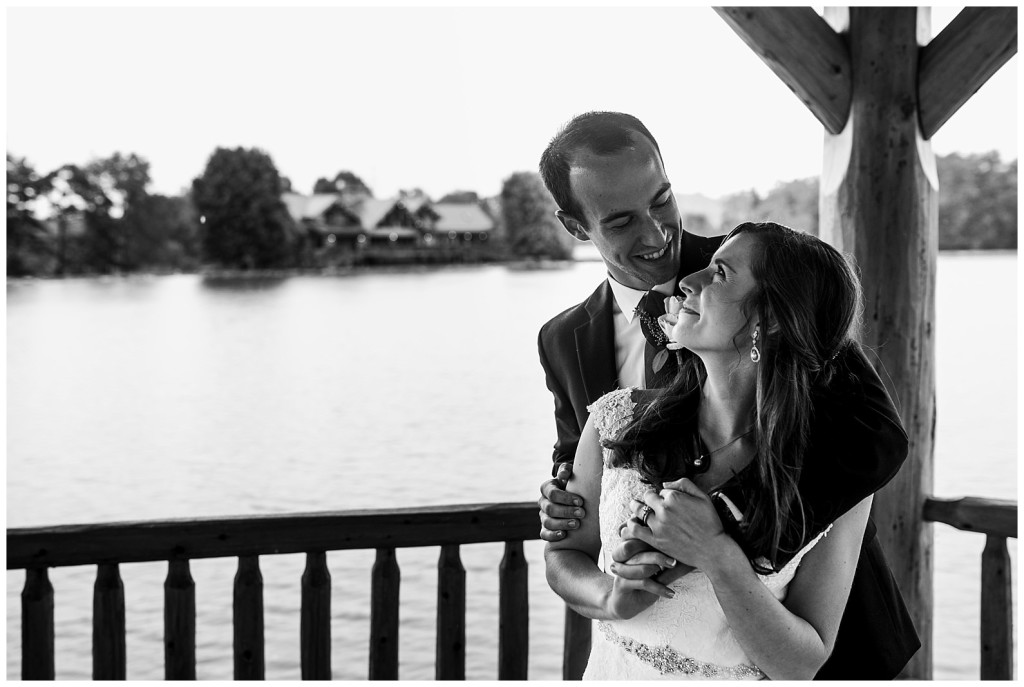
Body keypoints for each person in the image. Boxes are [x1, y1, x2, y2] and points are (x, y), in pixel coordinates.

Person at [536, 112, 918, 678]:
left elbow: (877, 437)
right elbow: (580, 466)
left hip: (814, 640)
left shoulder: (766, 274)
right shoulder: (565, 340)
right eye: (620, 221)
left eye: (662, 200)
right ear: (575, 226)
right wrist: (563, 498)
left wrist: (721, 534)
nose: (656, 233)